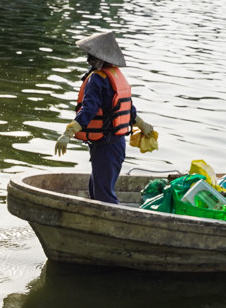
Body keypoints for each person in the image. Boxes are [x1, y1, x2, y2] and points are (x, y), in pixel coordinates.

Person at [54, 30, 158, 204]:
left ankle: (117, 226)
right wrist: (142, 124)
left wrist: (68, 134)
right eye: (89, 56)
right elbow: (126, 109)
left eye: (92, 57)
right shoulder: (114, 75)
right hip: (113, 144)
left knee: (103, 194)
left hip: (106, 145)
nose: (89, 60)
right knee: (96, 190)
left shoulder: (98, 79)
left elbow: (89, 110)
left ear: (102, 59)